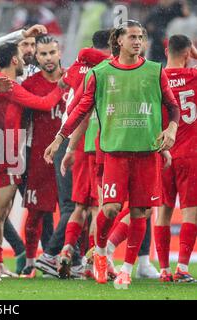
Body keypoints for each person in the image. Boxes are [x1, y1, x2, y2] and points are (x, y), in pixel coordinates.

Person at [45, 20, 180, 288]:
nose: (138, 41)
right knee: (110, 208)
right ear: (119, 40)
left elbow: (172, 106)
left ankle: (127, 269)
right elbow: (81, 109)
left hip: (147, 152)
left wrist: (172, 130)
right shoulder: (101, 72)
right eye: (132, 36)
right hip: (115, 153)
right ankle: (102, 251)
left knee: (140, 212)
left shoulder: (155, 71)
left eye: (141, 36)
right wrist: (60, 138)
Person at [0, 42, 65, 278]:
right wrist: (61, 87)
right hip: (4, 153)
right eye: (22, 56)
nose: (26, 59)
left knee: (0, 215)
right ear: (14, 60)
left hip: (4, 151)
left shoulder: (1, 82)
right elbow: (43, 104)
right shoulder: (8, 84)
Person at [53, 30, 111, 279]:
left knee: (81, 205)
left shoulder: (80, 69)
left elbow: (67, 77)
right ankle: (95, 260)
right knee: (99, 206)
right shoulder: (109, 70)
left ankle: (67, 250)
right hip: (101, 142)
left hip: (78, 142)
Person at [19, 35, 66, 278]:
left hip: (69, 157)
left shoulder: (73, 80)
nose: (48, 58)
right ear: (36, 57)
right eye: (43, 54)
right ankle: (29, 261)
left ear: (60, 52)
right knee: (36, 212)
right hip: (39, 158)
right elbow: (22, 123)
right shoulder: (30, 85)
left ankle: (71, 260)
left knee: (72, 210)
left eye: (52, 53)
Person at [155, 34, 197, 283]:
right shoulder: (194, 77)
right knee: (191, 213)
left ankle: (163, 269)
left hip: (164, 153)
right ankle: (182, 267)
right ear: (187, 53)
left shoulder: (155, 78)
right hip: (191, 154)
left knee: (163, 213)